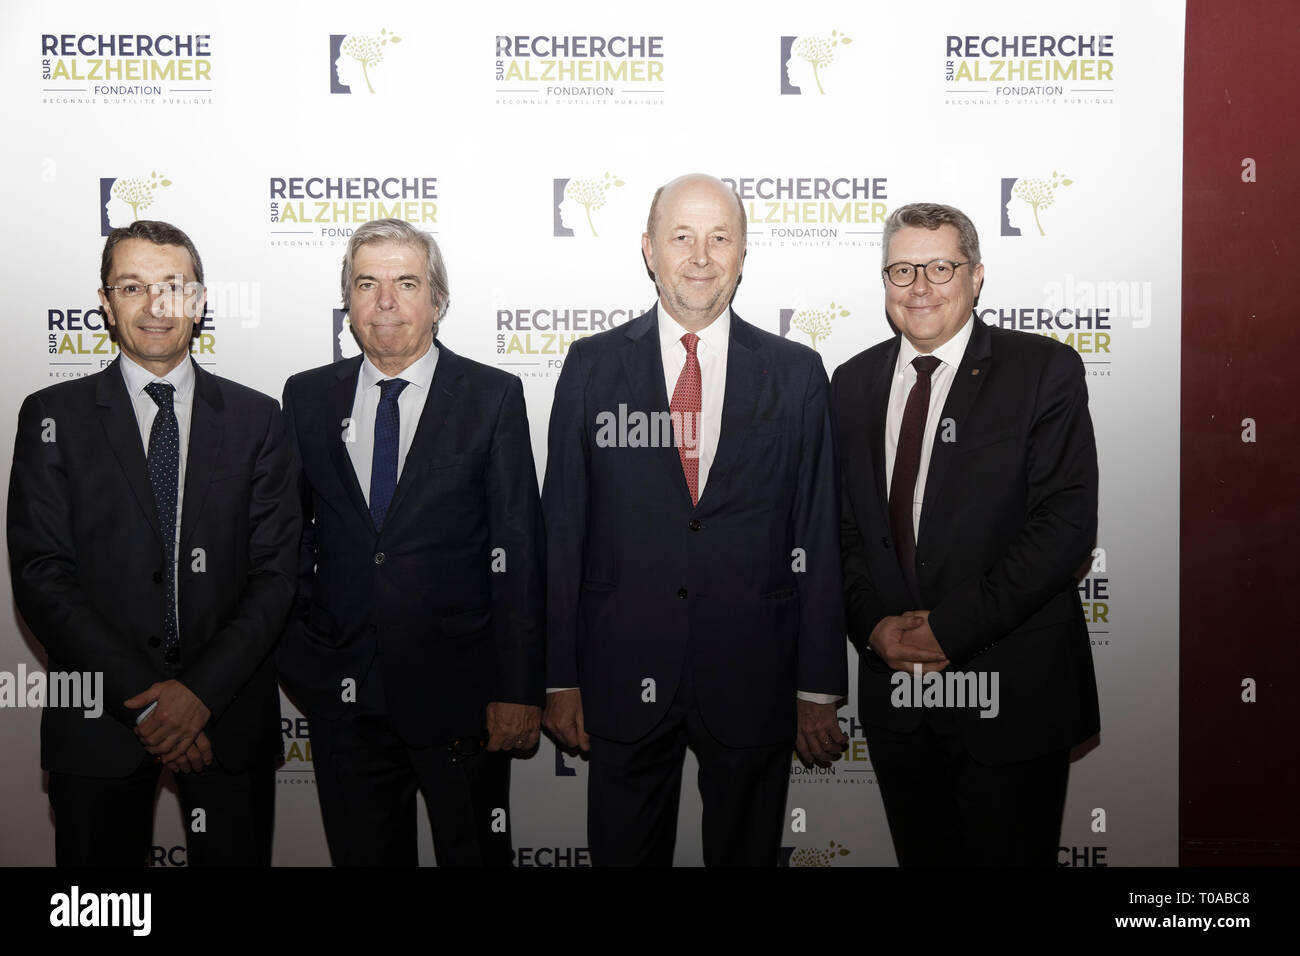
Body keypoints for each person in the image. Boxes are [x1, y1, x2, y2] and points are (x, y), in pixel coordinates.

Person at [543, 173, 847, 866]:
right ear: (649, 250)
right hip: (620, 674)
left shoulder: (798, 373)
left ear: (743, 254)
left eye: (720, 238)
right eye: (681, 237)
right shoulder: (591, 367)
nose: (701, 256)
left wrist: (819, 684)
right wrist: (559, 676)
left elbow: (818, 536)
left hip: (755, 675)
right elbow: (562, 530)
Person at [7, 219, 299, 866]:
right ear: (106, 304)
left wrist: (197, 695)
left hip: (227, 719)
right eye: (133, 286)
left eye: (174, 285)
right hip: (99, 727)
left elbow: (276, 573)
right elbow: (42, 575)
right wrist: (150, 704)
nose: (157, 305)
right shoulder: (53, 417)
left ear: (200, 300)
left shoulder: (257, 420)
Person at [833, 202, 1100, 866]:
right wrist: (874, 627)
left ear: (977, 276)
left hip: (1014, 696)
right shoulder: (851, 383)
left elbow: (1064, 529)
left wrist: (947, 629)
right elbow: (837, 532)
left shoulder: (1043, 371)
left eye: (940, 267)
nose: (920, 286)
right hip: (898, 698)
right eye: (902, 269)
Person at [277, 218, 545, 866]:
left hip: (464, 702)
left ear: (438, 300)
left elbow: (519, 551)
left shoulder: (491, 397)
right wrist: (307, 655)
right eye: (367, 283)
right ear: (348, 300)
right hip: (345, 700)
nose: (385, 302)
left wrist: (518, 688)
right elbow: (287, 542)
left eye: (405, 282)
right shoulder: (308, 397)